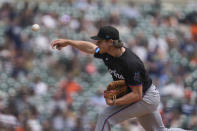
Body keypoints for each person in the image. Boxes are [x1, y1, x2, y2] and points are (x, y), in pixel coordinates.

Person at [51, 26, 187, 131]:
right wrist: (69, 42)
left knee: (105, 117)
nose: (97, 43)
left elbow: (137, 95)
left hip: (146, 97)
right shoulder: (107, 52)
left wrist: (116, 101)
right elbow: (90, 48)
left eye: (100, 40)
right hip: (145, 95)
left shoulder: (130, 63)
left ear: (110, 42)